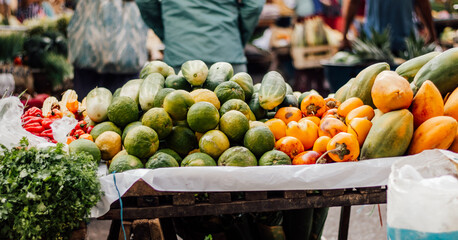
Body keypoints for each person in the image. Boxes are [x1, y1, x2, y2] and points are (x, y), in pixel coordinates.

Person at [135, 0, 265, 73]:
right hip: (227, 54)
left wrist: (169, 35)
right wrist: (236, 37)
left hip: (181, 56)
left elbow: (145, 2)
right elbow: (254, 5)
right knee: (234, 117)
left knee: (179, 118)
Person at [341, 0, 436, 53]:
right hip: (401, 43)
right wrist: (431, 33)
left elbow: (353, 3)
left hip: (376, 43)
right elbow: (422, 3)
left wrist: (344, 36)